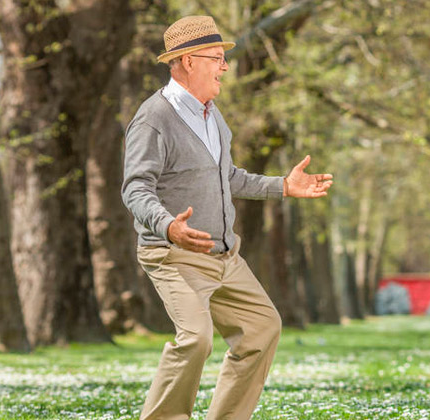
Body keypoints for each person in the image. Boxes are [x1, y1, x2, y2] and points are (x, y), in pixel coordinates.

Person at [121, 16, 333, 420]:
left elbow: (228, 177)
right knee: (196, 339)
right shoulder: (154, 118)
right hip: (173, 255)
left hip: (225, 257)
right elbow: (135, 188)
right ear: (187, 61)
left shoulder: (212, 115)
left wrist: (284, 187)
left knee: (262, 328)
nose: (224, 67)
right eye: (217, 58)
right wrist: (169, 226)